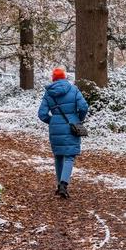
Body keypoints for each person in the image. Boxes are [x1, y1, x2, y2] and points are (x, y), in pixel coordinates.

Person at [37, 67, 89, 198]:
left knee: (58, 156)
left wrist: (53, 121)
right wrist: (79, 119)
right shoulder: (73, 89)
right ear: (64, 77)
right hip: (71, 125)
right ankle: (63, 185)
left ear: (53, 79)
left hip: (55, 128)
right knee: (69, 156)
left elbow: (42, 114)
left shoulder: (49, 93)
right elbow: (83, 106)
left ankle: (59, 184)